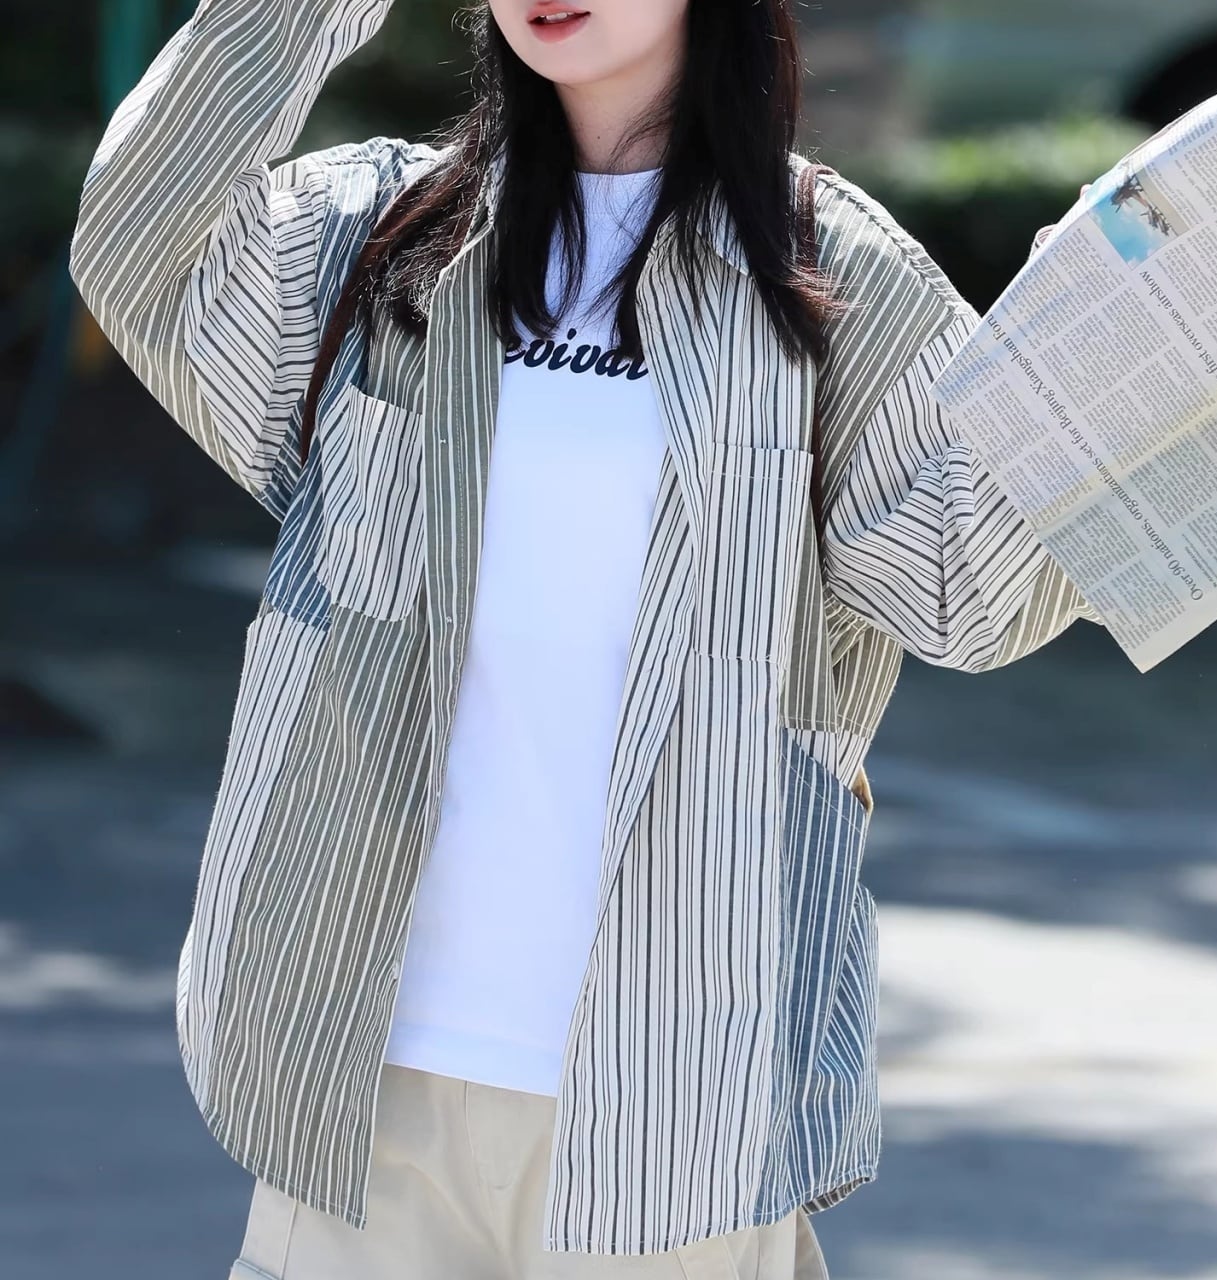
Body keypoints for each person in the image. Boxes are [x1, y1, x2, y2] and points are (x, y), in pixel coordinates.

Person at [68, 1, 1099, 1276]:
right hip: (356, 1075)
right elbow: (142, 248)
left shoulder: (824, 269)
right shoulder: (377, 234)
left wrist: (1111, 346)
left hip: (678, 1103)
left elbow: (969, 591)